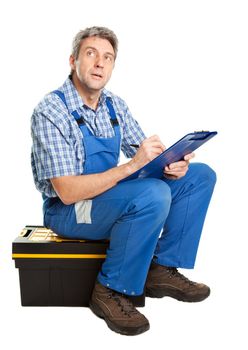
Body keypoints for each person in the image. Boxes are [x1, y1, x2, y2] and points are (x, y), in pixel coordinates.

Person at [31, 26, 216, 336]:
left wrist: (170, 165)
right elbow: (65, 191)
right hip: (68, 211)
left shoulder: (114, 105)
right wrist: (132, 166)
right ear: (73, 60)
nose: (100, 63)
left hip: (106, 198)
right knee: (152, 194)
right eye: (91, 54)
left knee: (199, 177)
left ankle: (160, 268)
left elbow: (145, 162)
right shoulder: (51, 111)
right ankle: (110, 289)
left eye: (108, 57)